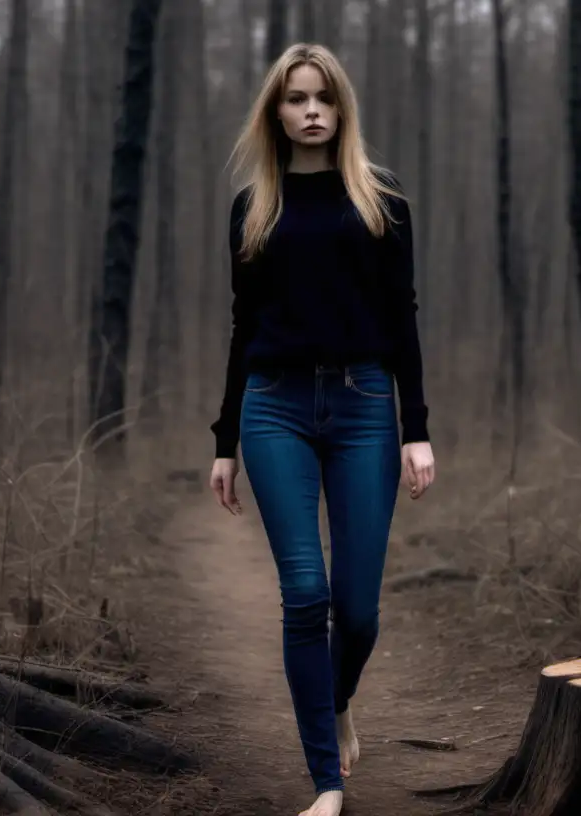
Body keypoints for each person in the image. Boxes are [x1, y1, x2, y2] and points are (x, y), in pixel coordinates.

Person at [207, 42, 436, 816]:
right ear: (275, 111)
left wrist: (417, 428)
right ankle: (327, 785)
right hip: (274, 409)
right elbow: (244, 326)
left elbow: (402, 318)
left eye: (323, 97)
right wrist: (224, 440)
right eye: (295, 98)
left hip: (366, 407)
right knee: (305, 594)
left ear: (342, 109)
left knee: (358, 609)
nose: (310, 110)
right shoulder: (253, 207)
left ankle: (336, 699)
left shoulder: (382, 200)